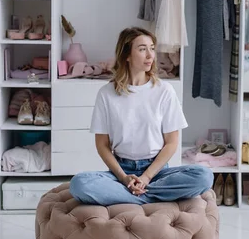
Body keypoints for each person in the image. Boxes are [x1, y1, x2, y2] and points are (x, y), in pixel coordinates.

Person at [69, 27, 214, 206]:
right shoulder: (106, 94)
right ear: (126, 55)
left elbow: (171, 143)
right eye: (142, 49)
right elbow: (102, 145)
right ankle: (146, 195)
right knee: (79, 183)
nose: (150, 55)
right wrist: (123, 178)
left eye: (152, 48)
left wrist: (146, 177)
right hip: (121, 171)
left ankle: (134, 195)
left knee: (204, 176)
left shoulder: (164, 91)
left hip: (157, 171)